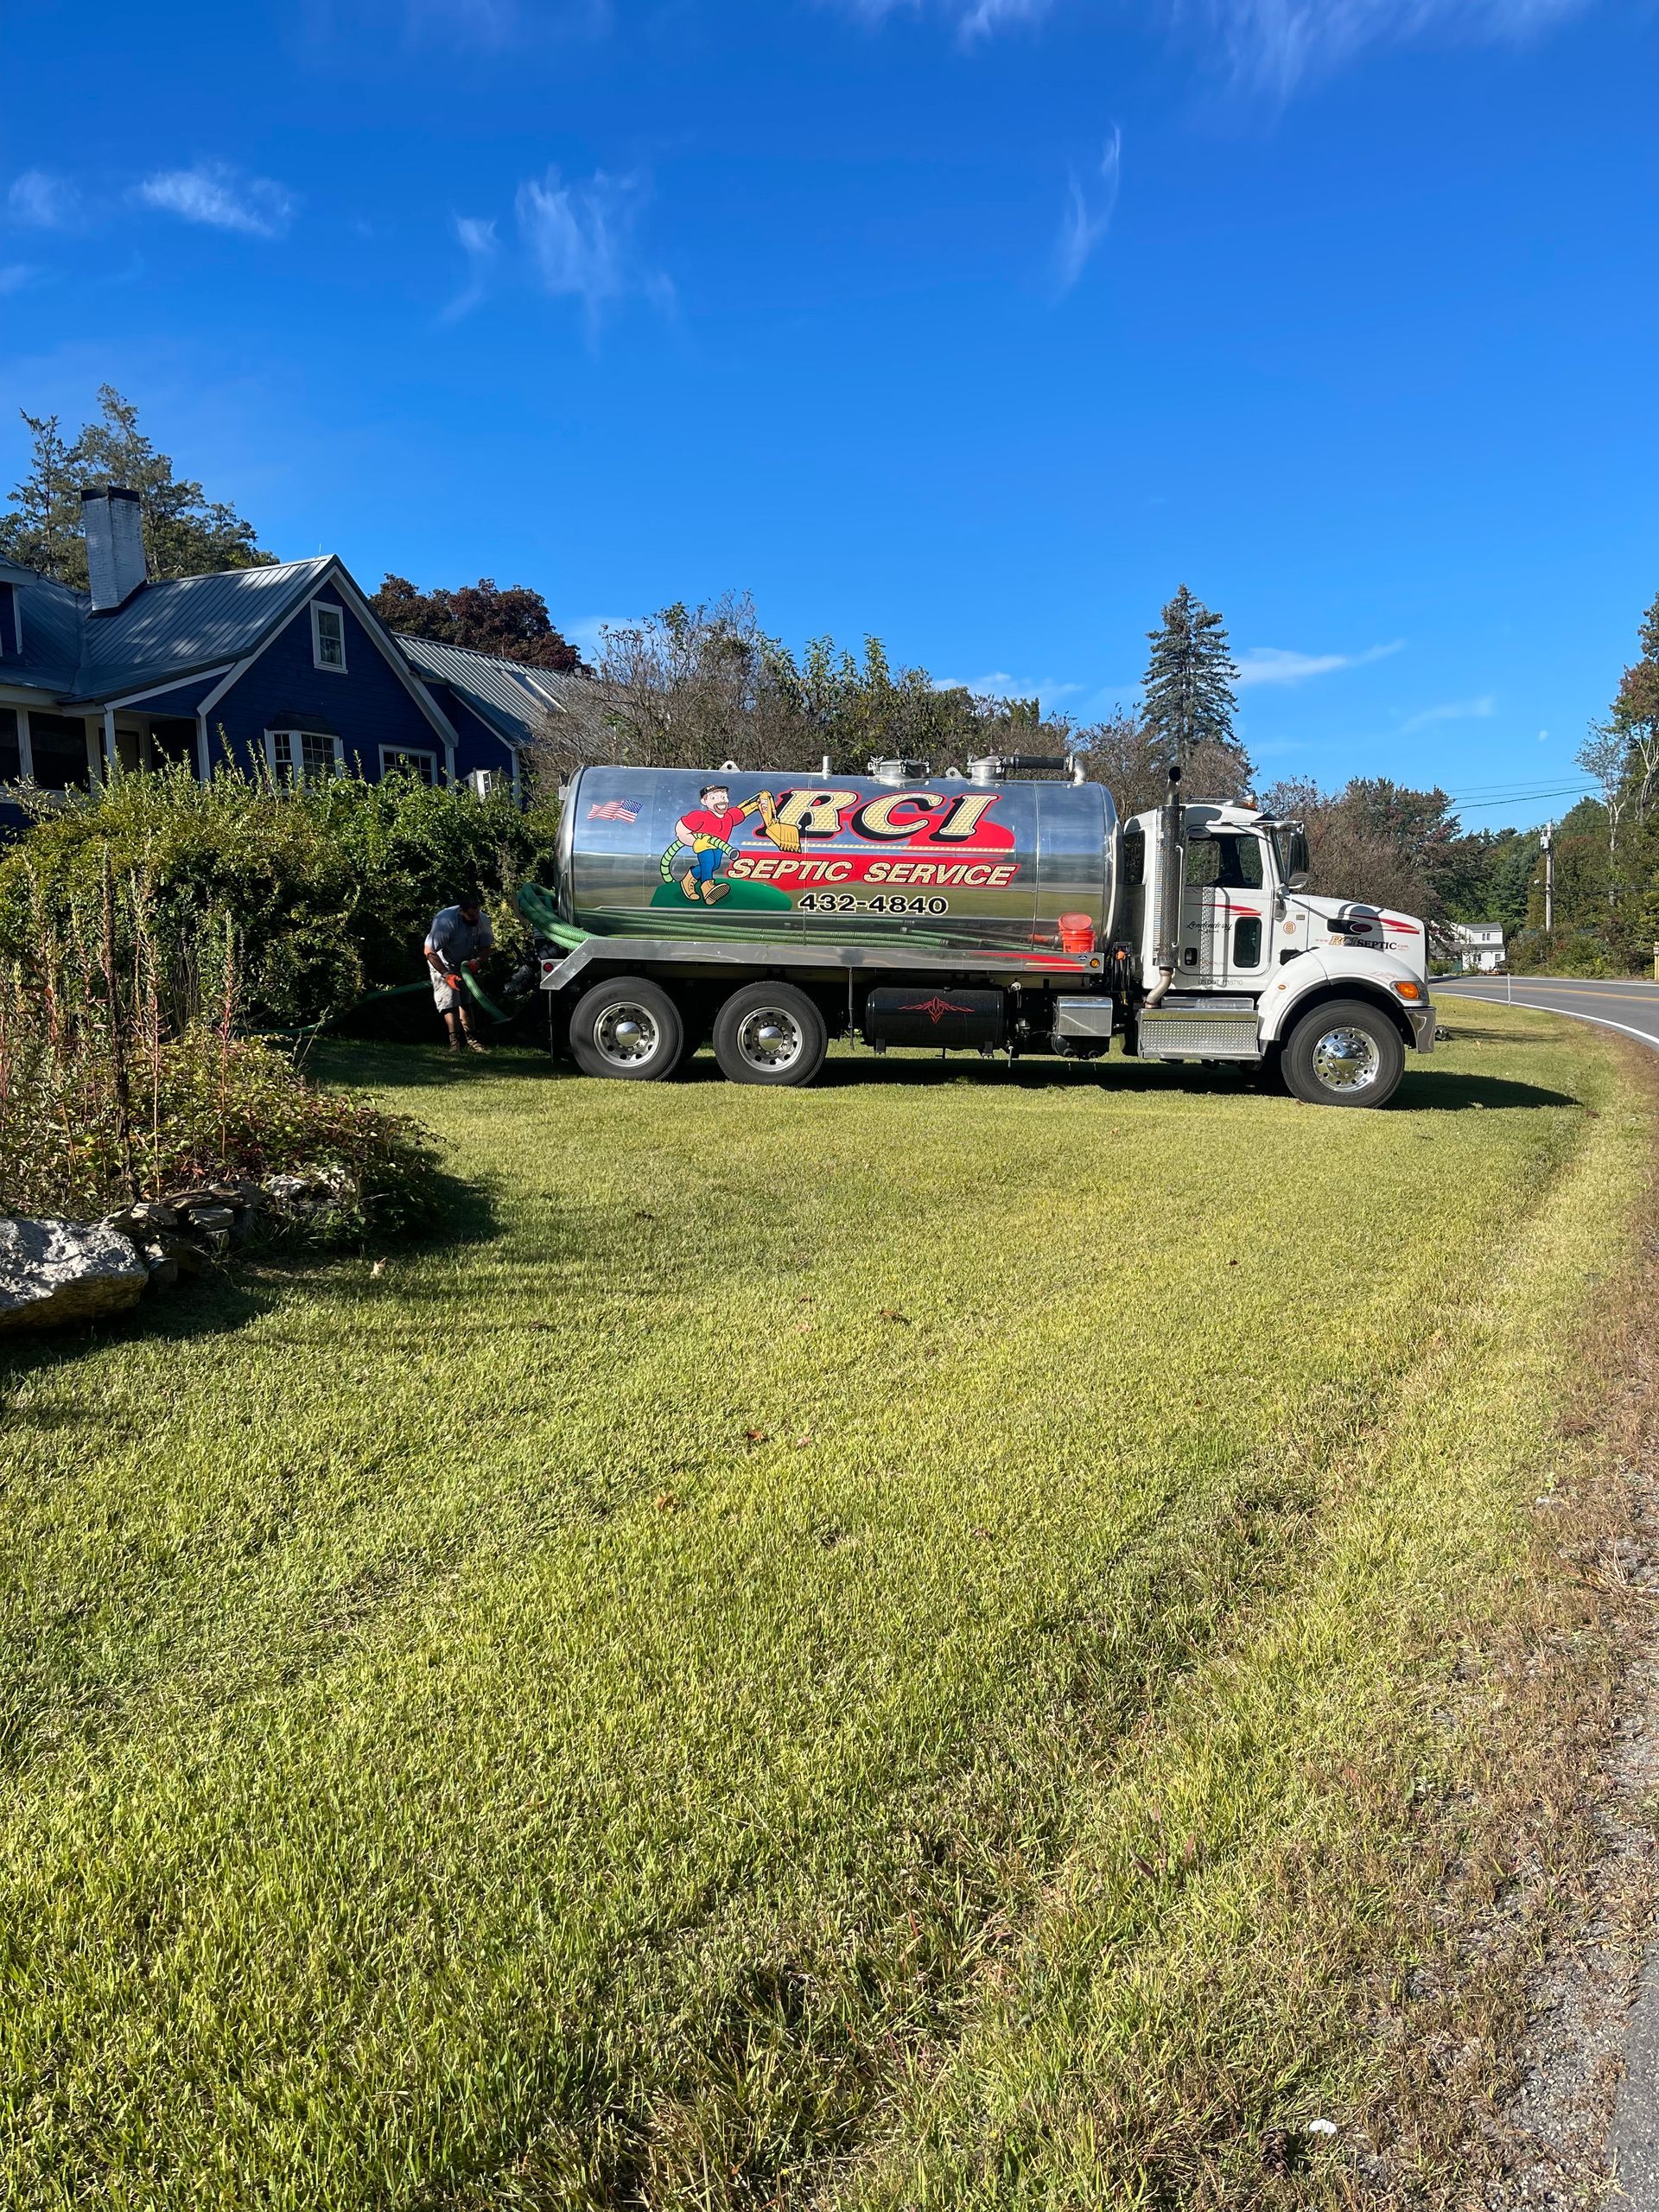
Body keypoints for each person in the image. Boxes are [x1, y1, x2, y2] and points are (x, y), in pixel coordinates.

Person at [424, 893, 495, 1053]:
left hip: (465, 964)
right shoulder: (445, 921)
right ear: (461, 912)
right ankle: (454, 1043)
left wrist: (478, 960)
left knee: (466, 1000)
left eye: (477, 914)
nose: (475, 918)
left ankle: (473, 1041)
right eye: (470, 916)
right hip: (442, 963)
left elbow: (486, 947)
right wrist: (446, 974)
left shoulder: (482, 920)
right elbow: (429, 951)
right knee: (450, 1001)